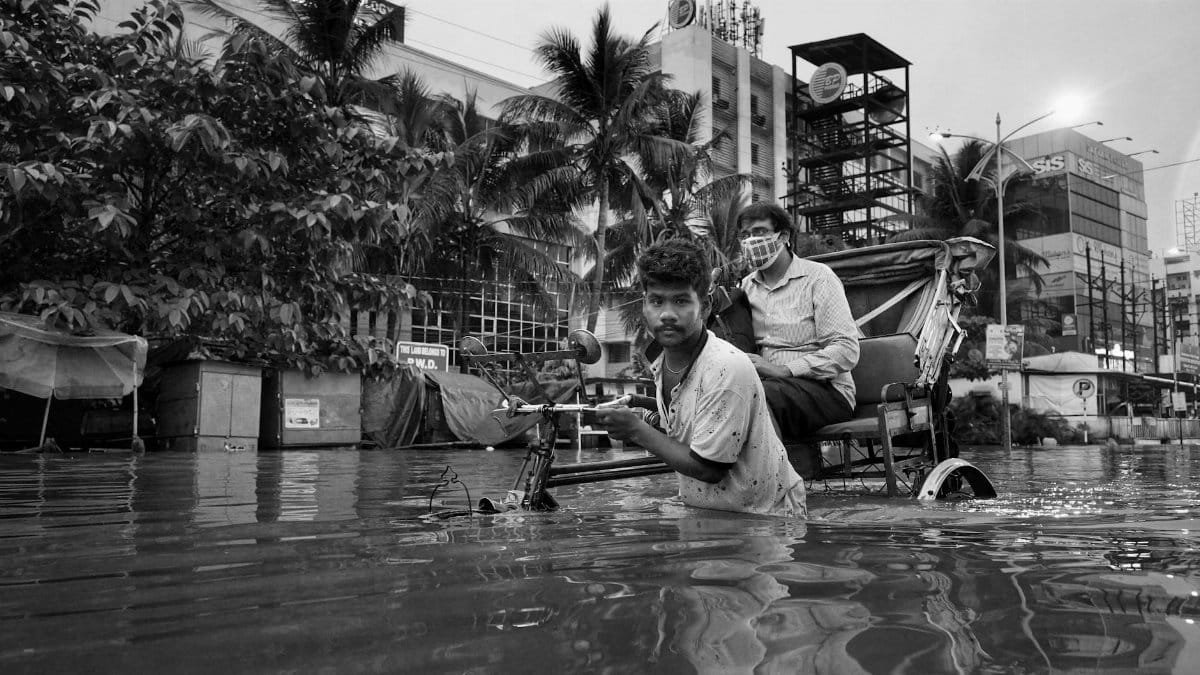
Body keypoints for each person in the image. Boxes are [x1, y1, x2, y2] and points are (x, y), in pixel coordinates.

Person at [594, 239, 806, 517]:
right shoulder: (660, 359)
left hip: (766, 518)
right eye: (656, 301)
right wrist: (644, 408)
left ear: (705, 306)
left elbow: (709, 468)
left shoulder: (725, 366)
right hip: (712, 512)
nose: (667, 314)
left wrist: (635, 429)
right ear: (644, 305)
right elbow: (690, 414)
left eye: (681, 300)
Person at [736, 202, 859, 439]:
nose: (751, 241)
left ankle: (774, 473)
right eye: (745, 235)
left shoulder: (818, 277)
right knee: (732, 394)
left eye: (760, 232)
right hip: (767, 387)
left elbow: (846, 350)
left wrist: (784, 370)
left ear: (783, 236)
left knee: (757, 396)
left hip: (827, 390)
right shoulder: (744, 288)